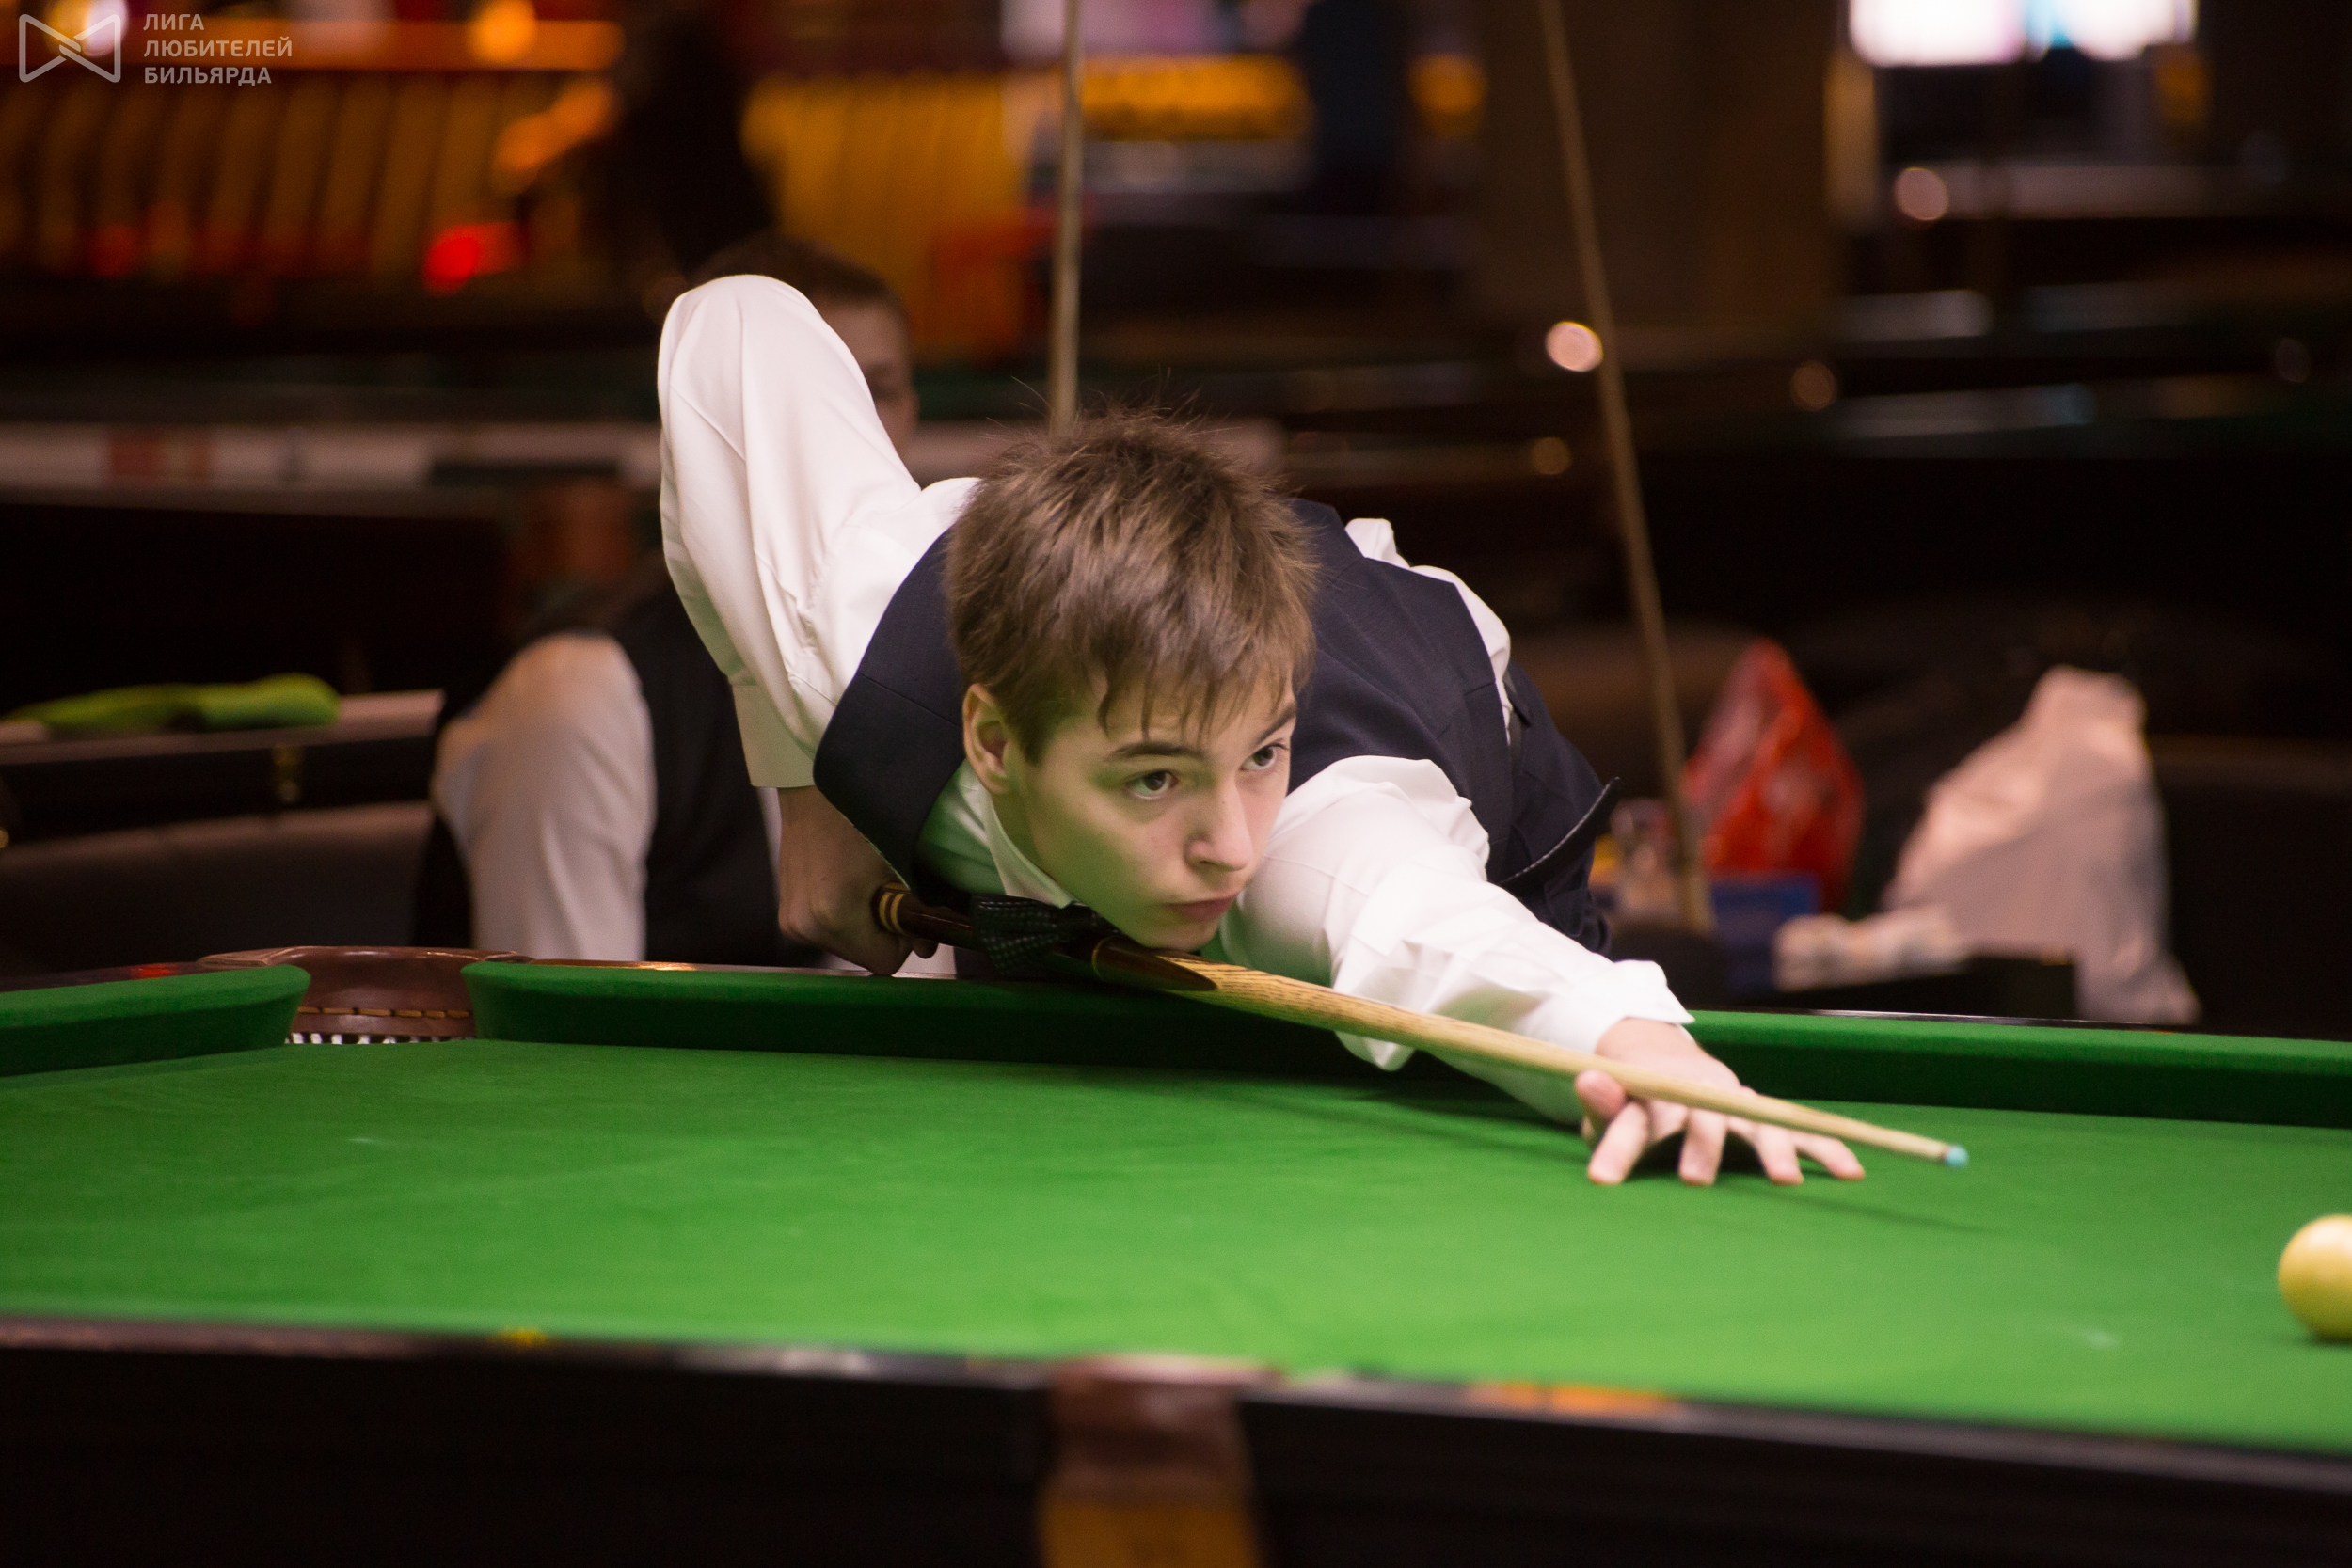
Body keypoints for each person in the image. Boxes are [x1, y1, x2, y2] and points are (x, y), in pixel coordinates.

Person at [660, 274, 1863, 1187]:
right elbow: (732, 324)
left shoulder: (1318, 836)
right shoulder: (851, 635)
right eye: (1151, 781)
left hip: (1458, 737)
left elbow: (1439, 937)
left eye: (1257, 756)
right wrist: (807, 782)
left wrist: (1634, 1040)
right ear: (994, 745)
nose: (1230, 843)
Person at [421, 235, 937, 965]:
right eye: (819, 398)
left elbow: (924, 1004)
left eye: (876, 392)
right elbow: (564, 1028)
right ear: (710, 426)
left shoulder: (928, 658)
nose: (854, 435)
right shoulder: (580, 697)